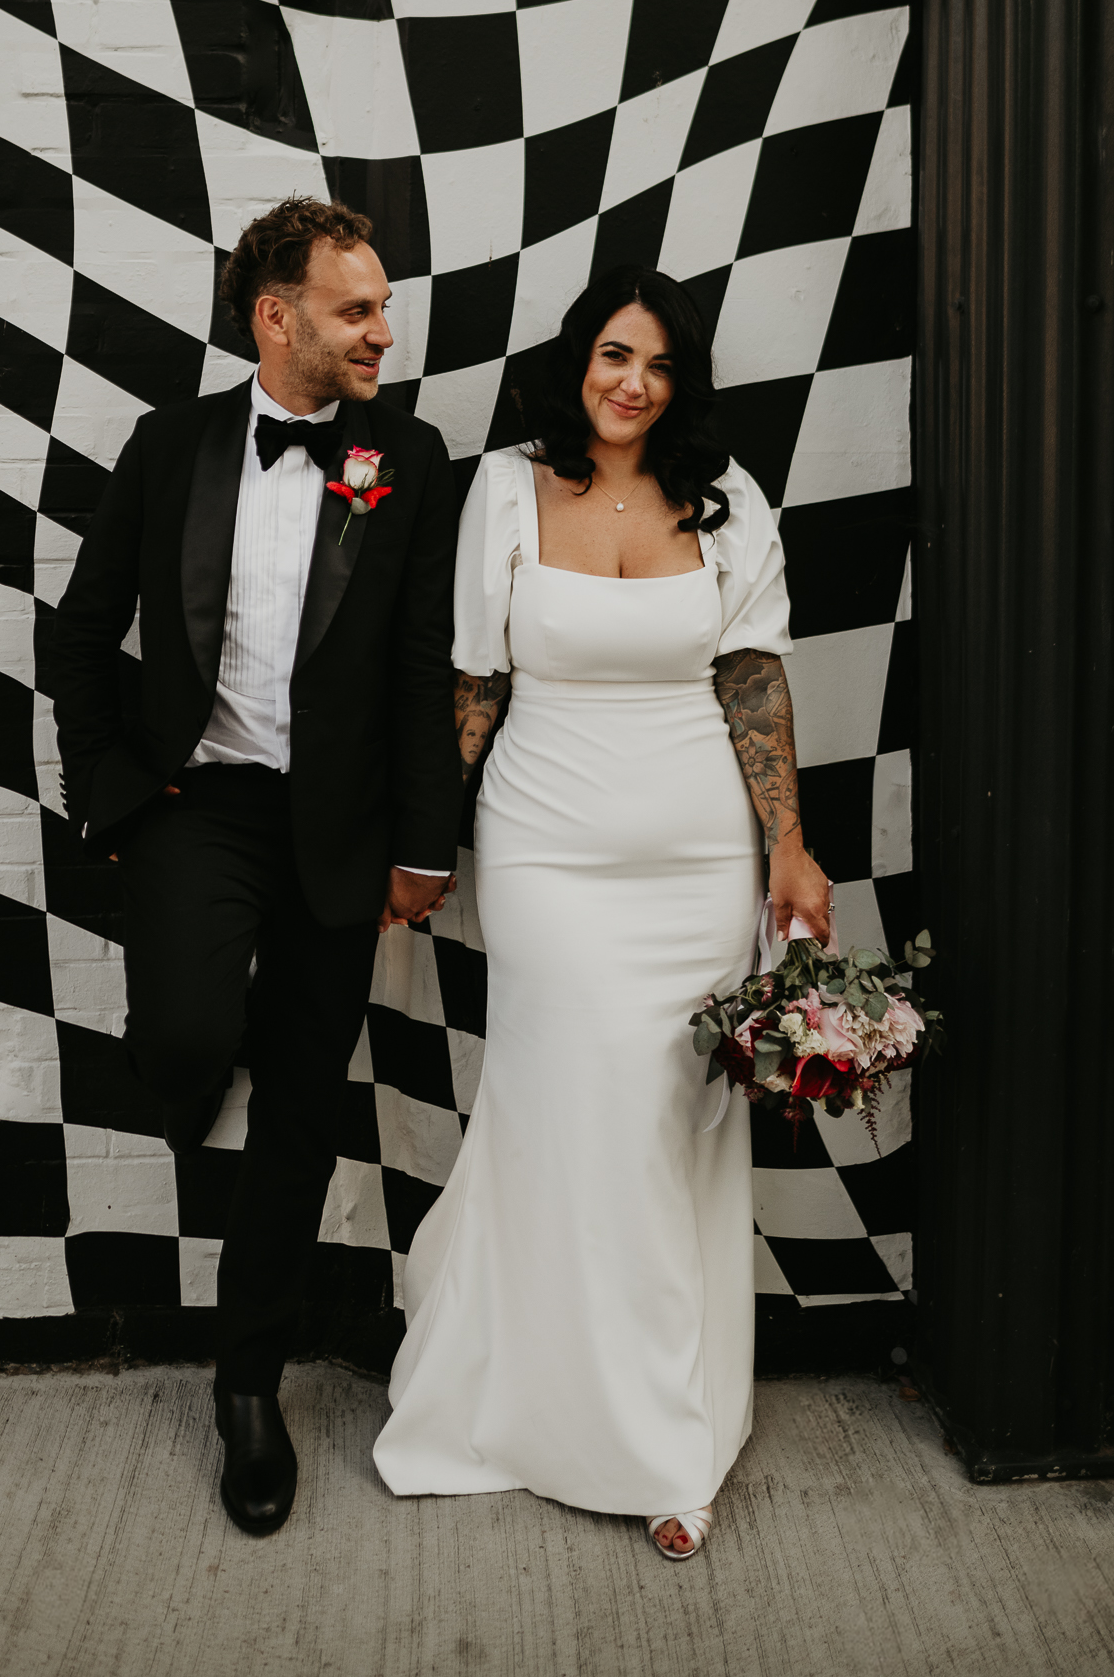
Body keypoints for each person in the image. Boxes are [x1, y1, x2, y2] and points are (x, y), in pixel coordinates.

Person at [372, 263, 832, 1561]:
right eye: (615, 354)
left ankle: (665, 1436)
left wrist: (789, 846)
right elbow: (473, 682)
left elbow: (752, 677)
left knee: (665, 1126)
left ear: (680, 383)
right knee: (567, 1108)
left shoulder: (727, 502)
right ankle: (539, 1400)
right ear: (581, 357)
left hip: (695, 862)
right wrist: (421, 843)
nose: (633, 381)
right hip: (547, 858)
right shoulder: (507, 487)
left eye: (660, 364)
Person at [53, 196, 460, 1537]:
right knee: (184, 1034)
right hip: (199, 803)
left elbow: (417, 662)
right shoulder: (171, 446)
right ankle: (193, 1050)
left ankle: (248, 1388)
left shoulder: (406, 453)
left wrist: (422, 840)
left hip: (338, 829)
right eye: (357, 309)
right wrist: (104, 796)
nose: (381, 333)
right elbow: (82, 628)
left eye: (383, 307)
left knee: (298, 1110)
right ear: (274, 314)